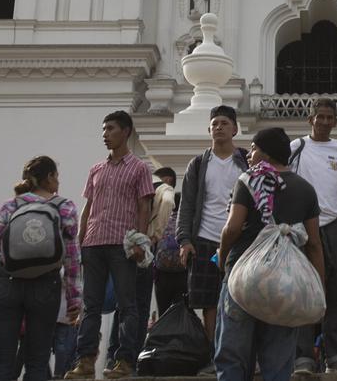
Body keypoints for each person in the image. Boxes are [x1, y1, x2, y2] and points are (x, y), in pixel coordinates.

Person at [0, 156, 83, 381]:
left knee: (1, 360)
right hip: (46, 285)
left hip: (7, 283)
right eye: (57, 176)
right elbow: (72, 257)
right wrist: (74, 299)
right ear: (49, 177)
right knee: (37, 361)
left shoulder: (11, 205)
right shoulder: (64, 206)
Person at [214, 127, 323, 381]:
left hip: (243, 276)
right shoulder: (306, 189)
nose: (250, 154)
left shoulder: (249, 179)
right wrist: (319, 285)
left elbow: (231, 227)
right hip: (284, 285)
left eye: (253, 148)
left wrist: (222, 254)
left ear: (266, 153)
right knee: (278, 359)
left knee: (233, 353)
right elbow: (315, 244)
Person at [65, 111, 154, 380]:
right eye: (104, 129)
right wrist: (80, 240)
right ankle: (85, 361)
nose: (105, 134)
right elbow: (87, 207)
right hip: (94, 243)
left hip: (121, 245)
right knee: (90, 306)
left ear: (125, 131)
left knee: (127, 305)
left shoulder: (139, 168)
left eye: (111, 129)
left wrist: (140, 241)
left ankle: (125, 360)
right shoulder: (96, 169)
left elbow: (144, 206)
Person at [290, 98, 337, 375]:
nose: (325, 122)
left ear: (336, 121)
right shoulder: (297, 147)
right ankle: (302, 358)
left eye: (330, 117)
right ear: (310, 120)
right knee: (302, 291)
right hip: (304, 226)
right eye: (320, 117)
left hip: (334, 226)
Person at [177, 105, 249, 352]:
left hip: (239, 241)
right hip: (205, 240)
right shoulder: (197, 165)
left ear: (235, 129)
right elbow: (186, 205)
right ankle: (214, 354)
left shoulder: (246, 162)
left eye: (224, 123)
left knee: (241, 297)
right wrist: (185, 240)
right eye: (215, 123)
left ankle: (239, 352)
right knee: (209, 302)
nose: (219, 127)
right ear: (209, 129)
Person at [149, 167, 182, 313]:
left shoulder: (161, 204)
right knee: (181, 310)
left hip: (161, 272)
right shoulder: (184, 205)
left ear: (167, 181)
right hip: (183, 269)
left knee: (163, 311)